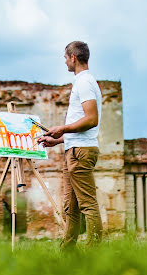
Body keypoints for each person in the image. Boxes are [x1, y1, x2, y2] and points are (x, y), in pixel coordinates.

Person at [38, 41, 103, 249]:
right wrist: (56, 139)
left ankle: (95, 253)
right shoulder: (84, 82)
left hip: (80, 152)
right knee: (71, 207)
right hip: (74, 149)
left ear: (73, 57)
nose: (65, 61)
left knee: (87, 204)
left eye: (65, 57)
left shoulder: (84, 82)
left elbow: (91, 119)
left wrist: (62, 128)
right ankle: (67, 253)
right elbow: (82, 126)